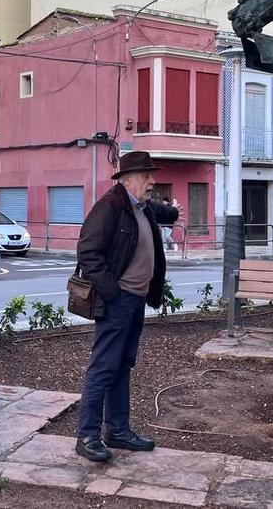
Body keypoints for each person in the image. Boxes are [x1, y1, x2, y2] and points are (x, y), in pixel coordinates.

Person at [74, 151, 179, 463]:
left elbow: (164, 211)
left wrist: (171, 213)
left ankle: (117, 430)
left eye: (151, 175)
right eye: (146, 176)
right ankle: (87, 435)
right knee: (104, 367)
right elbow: (87, 252)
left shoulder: (141, 207)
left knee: (122, 366)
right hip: (118, 301)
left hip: (135, 300)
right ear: (127, 179)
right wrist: (112, 292)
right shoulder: (110, 206)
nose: (152, 181)